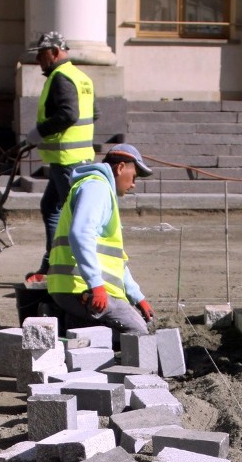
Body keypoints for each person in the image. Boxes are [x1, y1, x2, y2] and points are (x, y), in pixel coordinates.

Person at [47, 145, 156, 340]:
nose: (134, 184)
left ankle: (74, 323)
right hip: (79, 287)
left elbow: (115, 260)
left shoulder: (98, 188)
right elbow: (80, 233)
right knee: (138, 333)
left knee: (131, 328)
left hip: (76, 287)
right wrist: (96, 285)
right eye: (135, 176)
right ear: (120, 168)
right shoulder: (97, 187)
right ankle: (74, 335)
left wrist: (138, 297)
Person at [21, 31, 97, 288]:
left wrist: (39, 132)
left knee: (74, 217)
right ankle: (52, 263)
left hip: (68, 161)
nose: (39, 61)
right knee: (51, 209)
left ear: (55, 52)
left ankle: (77, 270)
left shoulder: (60, 77)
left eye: (42, 55)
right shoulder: (81, 77)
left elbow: (68, 114)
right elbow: (93, 113)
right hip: (72, 158)